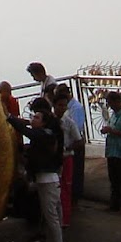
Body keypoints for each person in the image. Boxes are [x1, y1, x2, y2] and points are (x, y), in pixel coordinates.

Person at [8, 98, 64, 242]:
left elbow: (27, 132)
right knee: (50, 216)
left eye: (36, 118)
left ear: (44, 123)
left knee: (51, 216)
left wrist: (10, 118)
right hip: (46, 179)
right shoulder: (44, 135)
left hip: (48, 181)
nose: (33, 119)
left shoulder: (43, 135)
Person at [100, 90, 121, 211]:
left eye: (111, 103)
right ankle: (114, 204)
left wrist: (111, 131)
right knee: (113, 178)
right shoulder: (114, 114)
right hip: (112, 150)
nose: (110, 106)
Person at [55, 88, 80, 226]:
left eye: (64, 105)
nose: (62, 108)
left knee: (65, 188)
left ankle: (65, 218)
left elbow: (78, 141)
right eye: (60, 105)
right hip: (55, 159)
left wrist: (66, 148)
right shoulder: (51, 121)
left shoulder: (69, 123)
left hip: (66, 157)